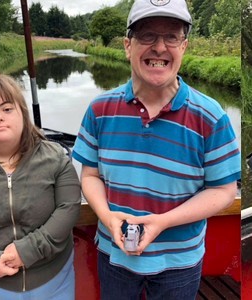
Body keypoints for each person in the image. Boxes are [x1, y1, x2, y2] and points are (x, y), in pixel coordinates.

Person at [72, 0, 241, 299]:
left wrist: (162, 222)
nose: (160, 48)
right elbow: (90, 175)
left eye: (171, 36)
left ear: (184, 46)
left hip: (180, 262)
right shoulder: (99, 109)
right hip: (114, 255)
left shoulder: (212, 116)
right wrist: (108, 218)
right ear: (127, 46)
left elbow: (223, 191)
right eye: (147, 35)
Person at [0, 73, 81, 300]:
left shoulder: (56, 158)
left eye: (7, 109)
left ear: (22, 112)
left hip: (53, 281)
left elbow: (68, 207)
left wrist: (27, 250)